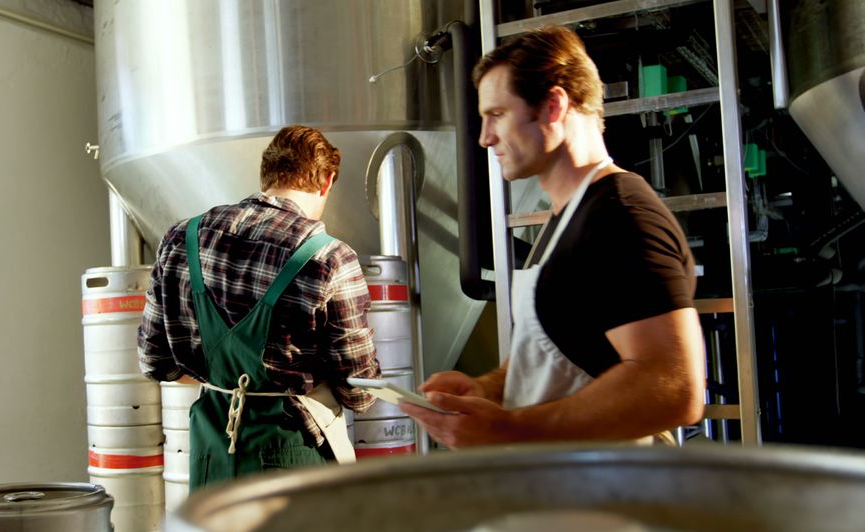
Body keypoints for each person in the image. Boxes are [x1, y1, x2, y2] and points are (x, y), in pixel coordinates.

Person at [402, 26, 706, 447]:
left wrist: (509, 428)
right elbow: (563, 349)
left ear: (553, 106)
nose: (484, 137)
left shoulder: (620, 216)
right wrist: (489, 389)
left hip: (607, 495)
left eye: (497, 115)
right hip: (563, 488)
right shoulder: (566, 217)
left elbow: (674, 388)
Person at [139, 125, 380, 489]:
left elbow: (154, 361)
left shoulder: (180, 239)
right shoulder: (330, 258)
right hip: (294, 460)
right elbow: (359, 391)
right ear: (327, 182)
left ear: (266, 174)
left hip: (212, 455)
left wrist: (228, 384)